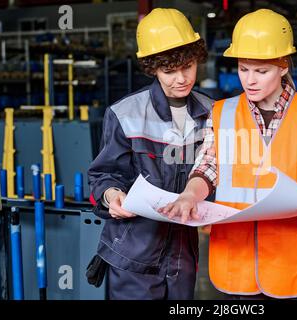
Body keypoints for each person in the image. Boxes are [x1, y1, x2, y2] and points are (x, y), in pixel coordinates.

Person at [159, 9, 297, 300]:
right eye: (244, 69)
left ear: (283, 66)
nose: (250, 80)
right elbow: (207, 169)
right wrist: (189, 195)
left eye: (262, 71)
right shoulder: (222, 113)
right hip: (239, 265)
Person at [88, 8, 213, 300]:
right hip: (133, 252)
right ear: (152, 68)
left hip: (183, 255)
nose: (181, 78)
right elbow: (103, 175)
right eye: (169, 71)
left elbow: (217, 172)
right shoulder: (125, 113)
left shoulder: (212, 113)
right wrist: (111, 196)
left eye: (188, 66)